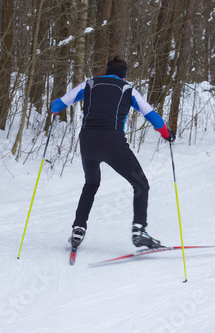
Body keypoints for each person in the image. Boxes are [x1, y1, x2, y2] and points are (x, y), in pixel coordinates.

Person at [50, 56, 175, 250]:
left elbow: (57, 105)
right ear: (124, 77)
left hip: (88, 142)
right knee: (140, 183)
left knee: (91, 184)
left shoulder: (90, 84)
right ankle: (139, 230)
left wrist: (54, 109)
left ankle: (78, 228)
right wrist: (166, 134)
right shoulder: (127, 89)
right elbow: (151, 115)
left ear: (107, 71)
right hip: (113, 143)